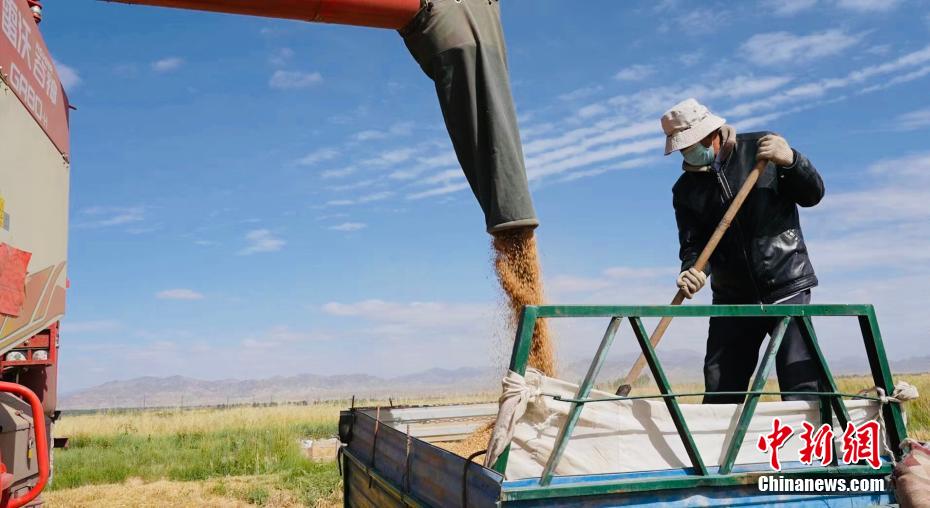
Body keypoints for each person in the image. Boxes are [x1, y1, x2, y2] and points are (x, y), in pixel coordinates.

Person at [660, 98, 826, 404]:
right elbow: (693, 244)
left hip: (785, 282)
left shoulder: (763, 148)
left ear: (712, 132)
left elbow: (813, 194)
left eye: (691, 144)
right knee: (722, 384)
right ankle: (722, 452)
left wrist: (791, 160)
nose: (688, 152)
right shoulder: (685, 190)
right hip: (732, 296)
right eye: (682, 148)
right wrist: (691, 270)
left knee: (800, 381)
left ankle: (811, 449)